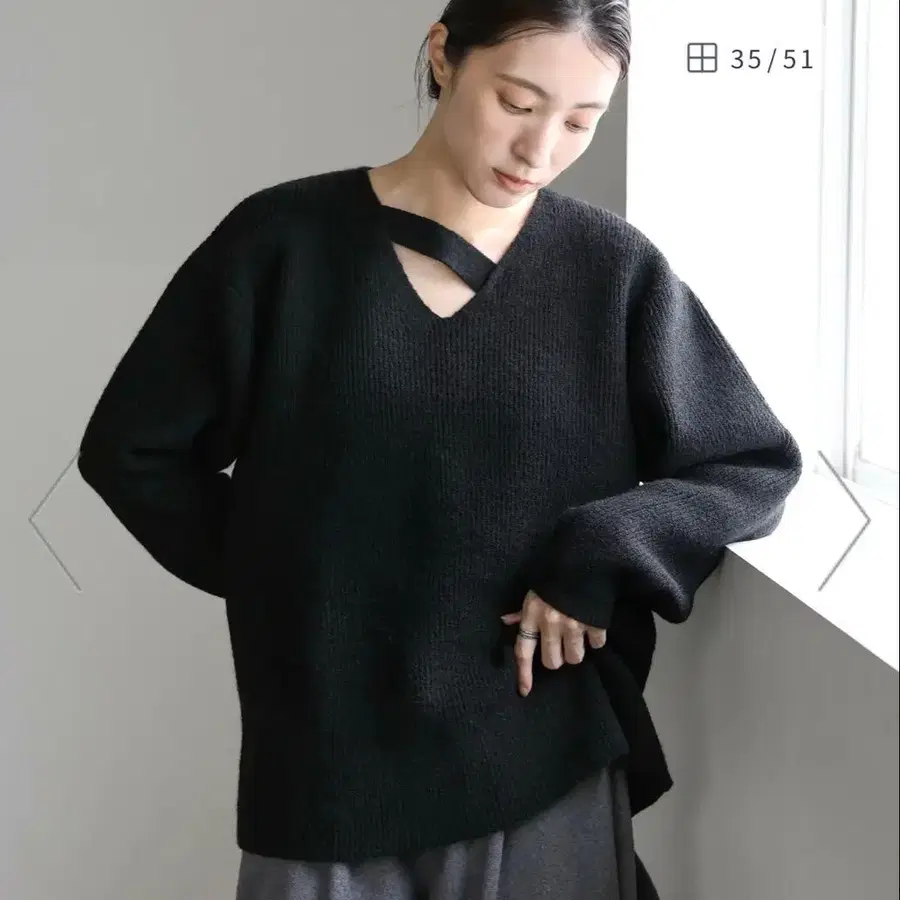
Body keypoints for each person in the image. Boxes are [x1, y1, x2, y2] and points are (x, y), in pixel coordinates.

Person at [76, 1, 803, 897]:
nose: (539, 149)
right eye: (517, 102)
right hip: (327, 771)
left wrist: (607, 547)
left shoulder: (611, 271)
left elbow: (752, 466)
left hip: (541, 760)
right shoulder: (280, 245)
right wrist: (298, 579)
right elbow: (133, 451)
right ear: (444, 55)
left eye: (581, 121)